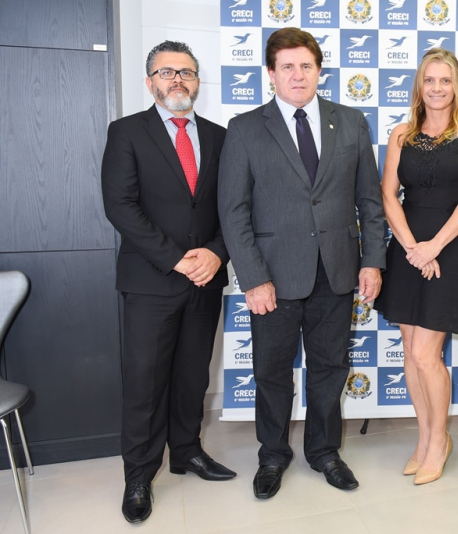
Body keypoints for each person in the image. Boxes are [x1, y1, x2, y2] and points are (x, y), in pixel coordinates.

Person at [217, 27, 385, 499]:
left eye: (306, 66)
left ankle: (325, 452)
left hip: (337, 271)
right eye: (287, 66)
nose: (297, 74)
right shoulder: (245, 128)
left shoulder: (350, 122)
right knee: (272, 372)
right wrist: (253, 278)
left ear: (319, 71)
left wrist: (372, 261)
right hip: (272, 277)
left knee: (330, 368)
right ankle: (272, 455)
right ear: (270, 74)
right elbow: (233, 211)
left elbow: (370, 201)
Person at [101, 41, 235, 524]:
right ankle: (138, 475)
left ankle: (187, 452)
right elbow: (120, 206)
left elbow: (232, 207)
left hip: (206, 279)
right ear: (150, 81)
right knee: (145, 383)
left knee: (192, 376)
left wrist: (216, 253)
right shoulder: (126, 132)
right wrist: (177, 259)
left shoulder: (220, 137)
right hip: (151, 281)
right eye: (166, 72)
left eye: (186, 72)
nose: (177, 79)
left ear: (198, 81)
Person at [374, 48, 458, 485]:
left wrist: (434, 248)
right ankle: (424, 439)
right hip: (408, 250)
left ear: (456, 86)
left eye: (445, 80)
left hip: (452, 250)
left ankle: (439, 441)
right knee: (410, 353)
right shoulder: (401, 134)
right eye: (429, 80)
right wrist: (412, 248)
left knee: (427, 354)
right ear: (419, 86)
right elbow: (388, 195)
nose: (437, 88)